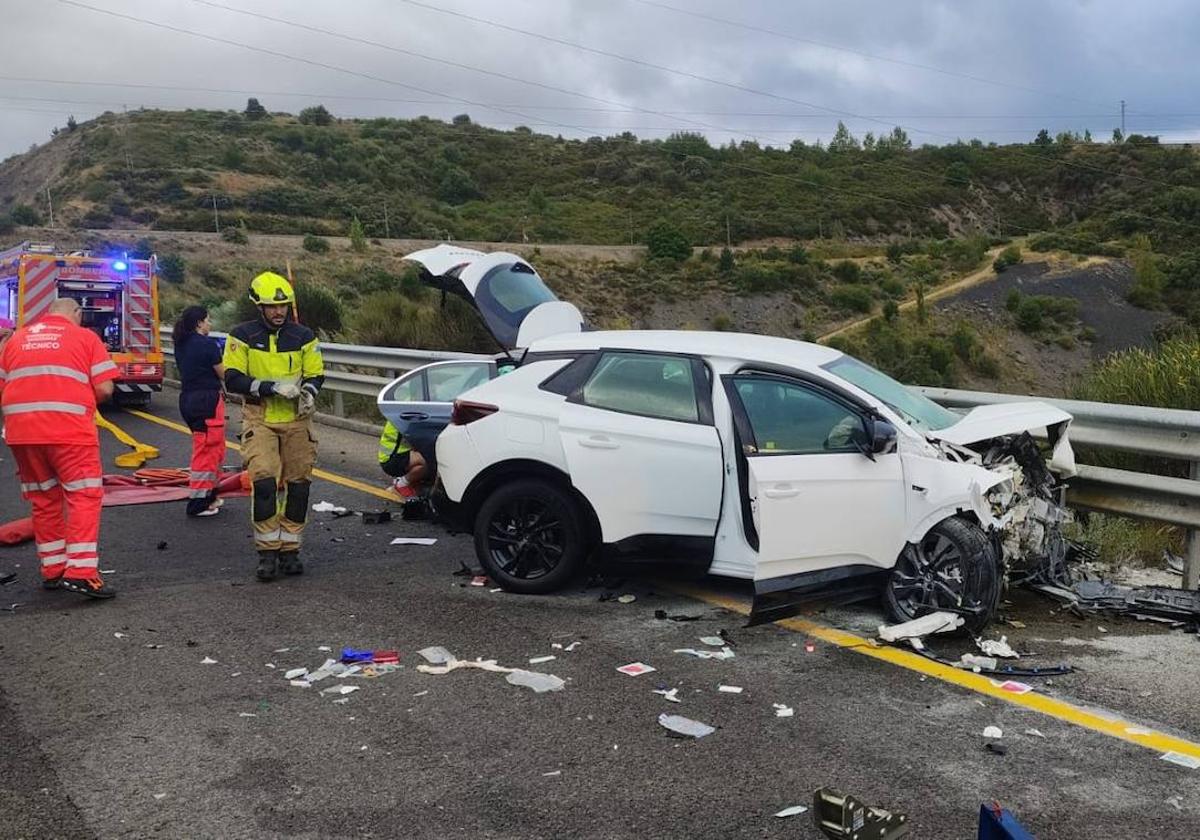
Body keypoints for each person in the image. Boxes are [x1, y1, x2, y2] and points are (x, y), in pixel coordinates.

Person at [0, 298, 120, 599]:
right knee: (83, 495)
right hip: (68, 432)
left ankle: (53, 569)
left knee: (44, 498)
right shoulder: (85, 337)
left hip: (21, 433)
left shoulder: (17, 339)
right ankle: (81, 573)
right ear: (76, 313)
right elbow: (105, 388)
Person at [222, 272, 324, 582]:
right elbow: (233, 378)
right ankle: (267, 553)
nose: (278, 312)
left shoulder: (303, 336)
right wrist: (270, 387)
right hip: (261, 418)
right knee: (264, 482)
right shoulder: (242, 336)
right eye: (271, 307)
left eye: (283, 306)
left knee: (299, 484)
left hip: (296, 420)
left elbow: (316, 374)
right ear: (258, 306)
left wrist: (309, 392)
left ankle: (290, 550)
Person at [172, 305, 226, 517]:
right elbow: (222, 373)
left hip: (188, 398)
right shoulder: (207, 345)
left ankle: (210, 496)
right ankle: (198, 502)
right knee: (207, 451)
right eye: (208, 320)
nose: (210, 324)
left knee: (212, 448)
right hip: (207, 400)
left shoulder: (181, 343)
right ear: (199, 323)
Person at [378, 420, 427, 499]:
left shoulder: (400, 414)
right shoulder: (406, 419)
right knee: (426, 460)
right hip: (392, 459)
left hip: (392, 455)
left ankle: (412, 483)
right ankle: (401, 485)